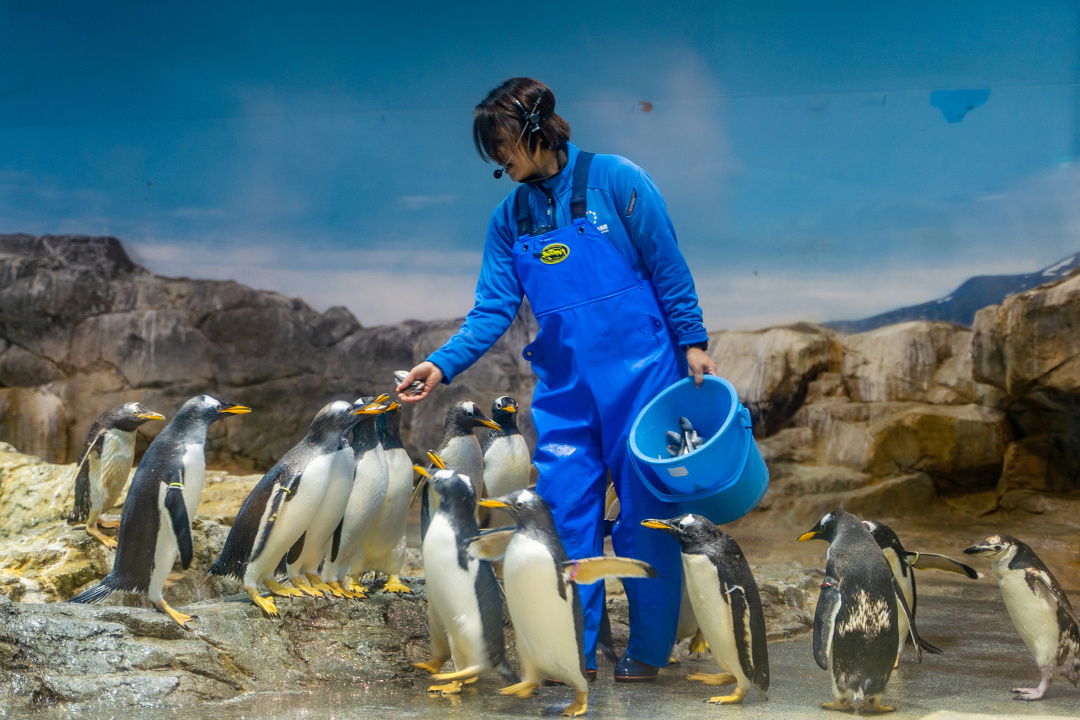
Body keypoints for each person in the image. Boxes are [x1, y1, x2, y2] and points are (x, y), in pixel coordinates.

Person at [397, 77, 716, 682]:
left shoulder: (617, 180)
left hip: (643, 374)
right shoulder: (510, 217)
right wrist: (440, 365)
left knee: (645, 513)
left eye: (502, 144)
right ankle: (574, 648)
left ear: (534, 128)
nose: (498, 159)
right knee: (562, 516)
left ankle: (647, 651)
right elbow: (492, 309)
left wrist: (693, 342)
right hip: (567, 387)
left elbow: (667, 264)